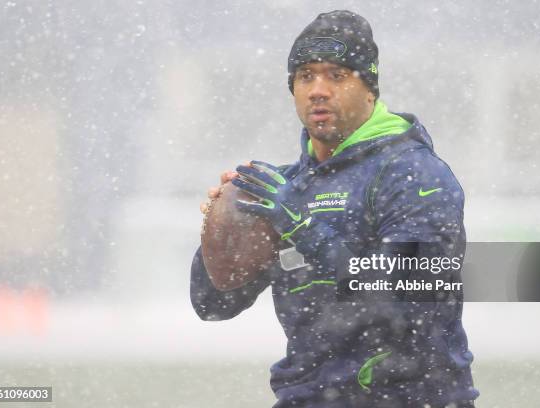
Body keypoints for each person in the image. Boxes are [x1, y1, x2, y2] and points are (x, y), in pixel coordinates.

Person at [191, 10, 479, 407]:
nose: (318, 90)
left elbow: (410, 301)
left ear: (369, 89)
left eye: (337, 75)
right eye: (306, 76)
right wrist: (217, 232)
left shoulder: (415, 175)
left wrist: (303, 227)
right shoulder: (287, 188)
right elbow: (213, 305)